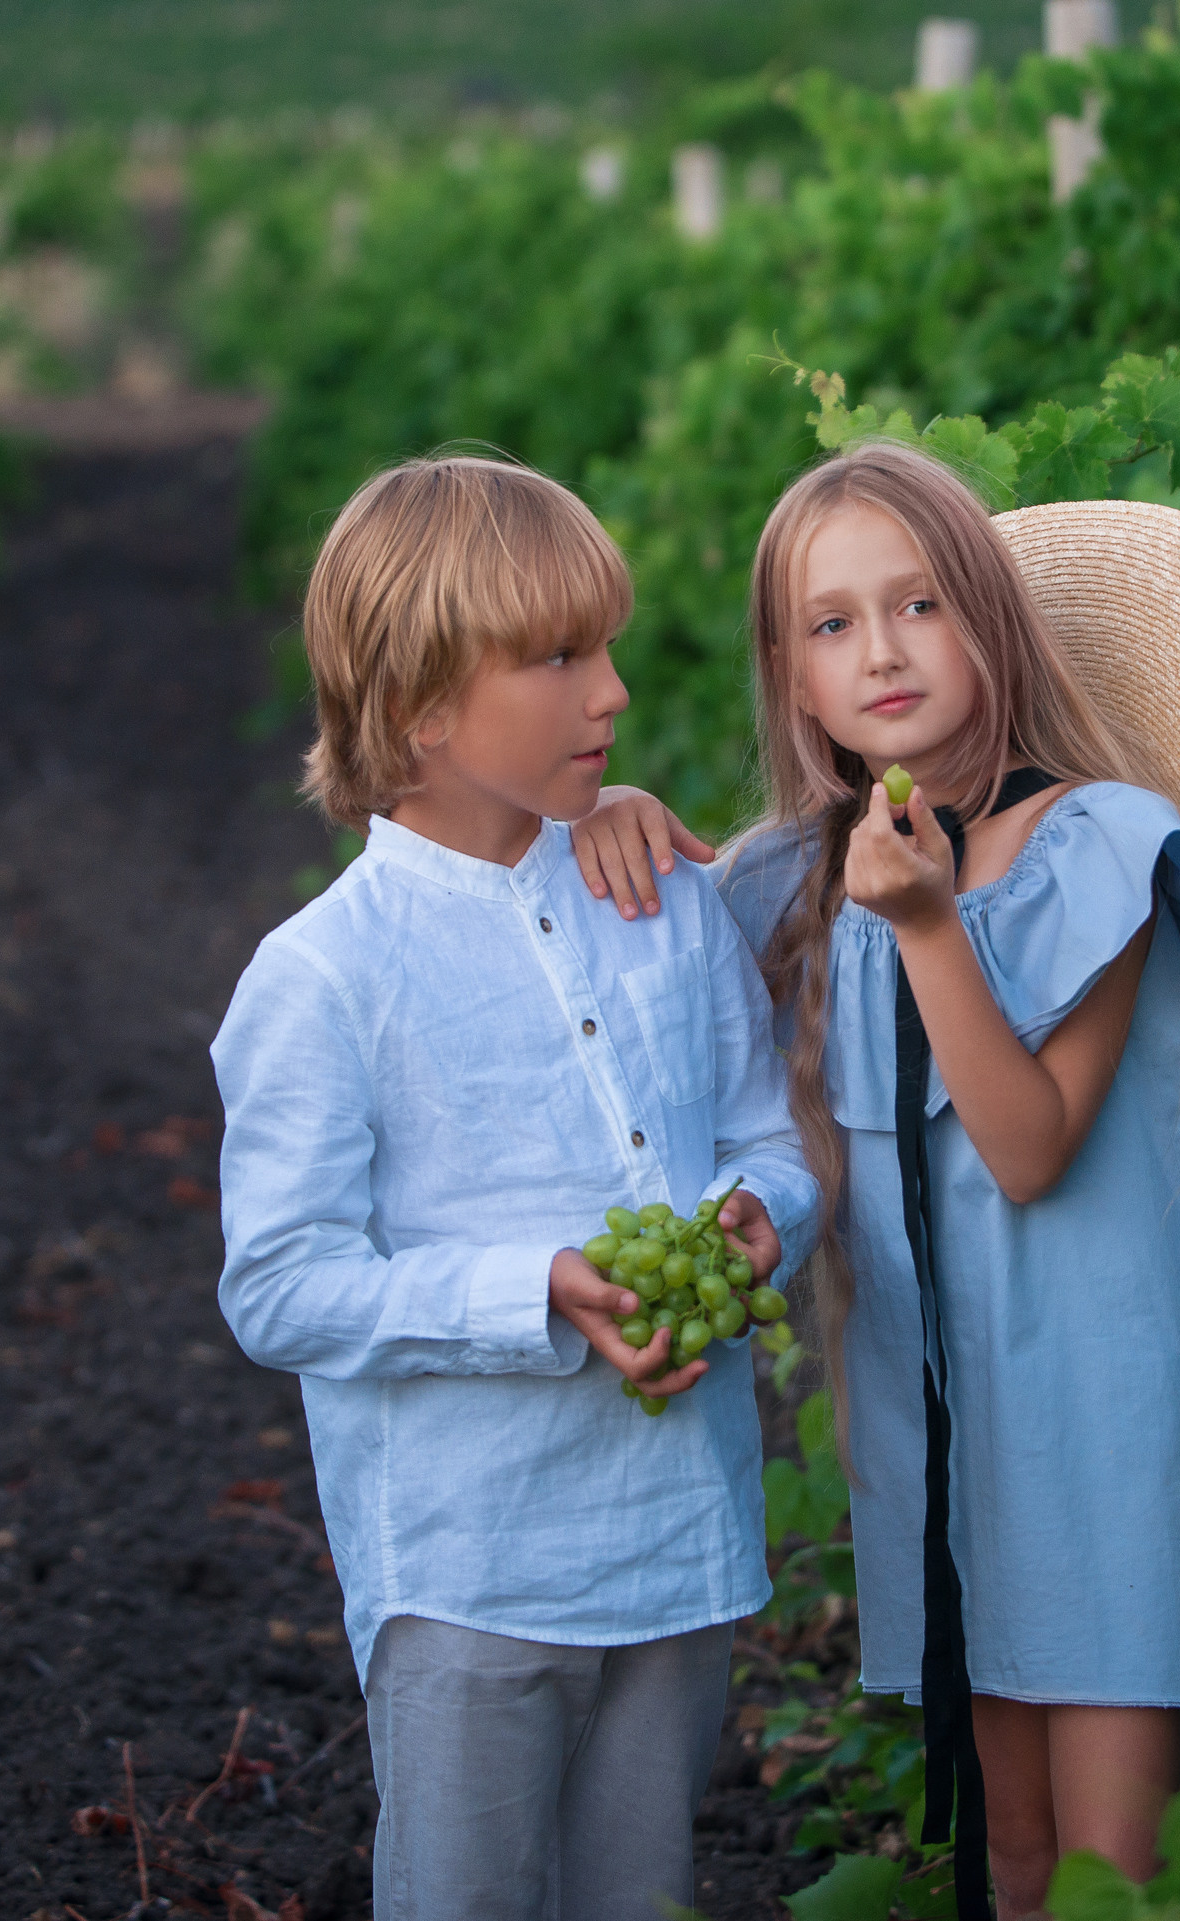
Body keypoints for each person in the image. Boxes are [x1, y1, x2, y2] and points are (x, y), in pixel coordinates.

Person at [572, 441, 1180, 1920]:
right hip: (949, 1440)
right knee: (1013, 1862)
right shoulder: (798, 883)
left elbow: (1030, 1147)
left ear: (991, 623)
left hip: (1109, 1426)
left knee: (1111, 1871)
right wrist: (609, 818)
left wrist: (931, 926)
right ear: (793, 678)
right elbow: (614, 977)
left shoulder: (1096, 847)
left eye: (920, 603)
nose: (881, 651)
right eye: (832, 623)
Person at [210, 454, 817, 1921]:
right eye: (558, 658)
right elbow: (280, 1284)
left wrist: (763, 1218)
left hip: (675, 1538)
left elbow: (775, 1140)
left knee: (640, 1893)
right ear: (422, 704)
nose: (612, 691)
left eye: (604, 647)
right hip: (470, 1567)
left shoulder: (664, 905)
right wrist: (533, 1288)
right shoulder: (325, 976)